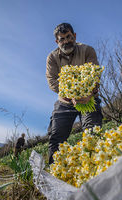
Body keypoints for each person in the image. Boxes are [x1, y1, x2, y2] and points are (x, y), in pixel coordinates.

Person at [46, 23, 103, 164]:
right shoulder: (52, 58)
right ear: (57, 41)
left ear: (75, 36)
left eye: (69, 37)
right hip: (65, 102)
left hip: (89, 99)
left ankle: (93, 167)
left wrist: (88, 93)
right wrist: (71, 94)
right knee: (56, 138)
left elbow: (94, 75)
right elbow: (52, 81)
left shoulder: (87, 50)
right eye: (62, 39)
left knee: (92, 133)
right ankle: (56, 171)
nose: (66, 41)